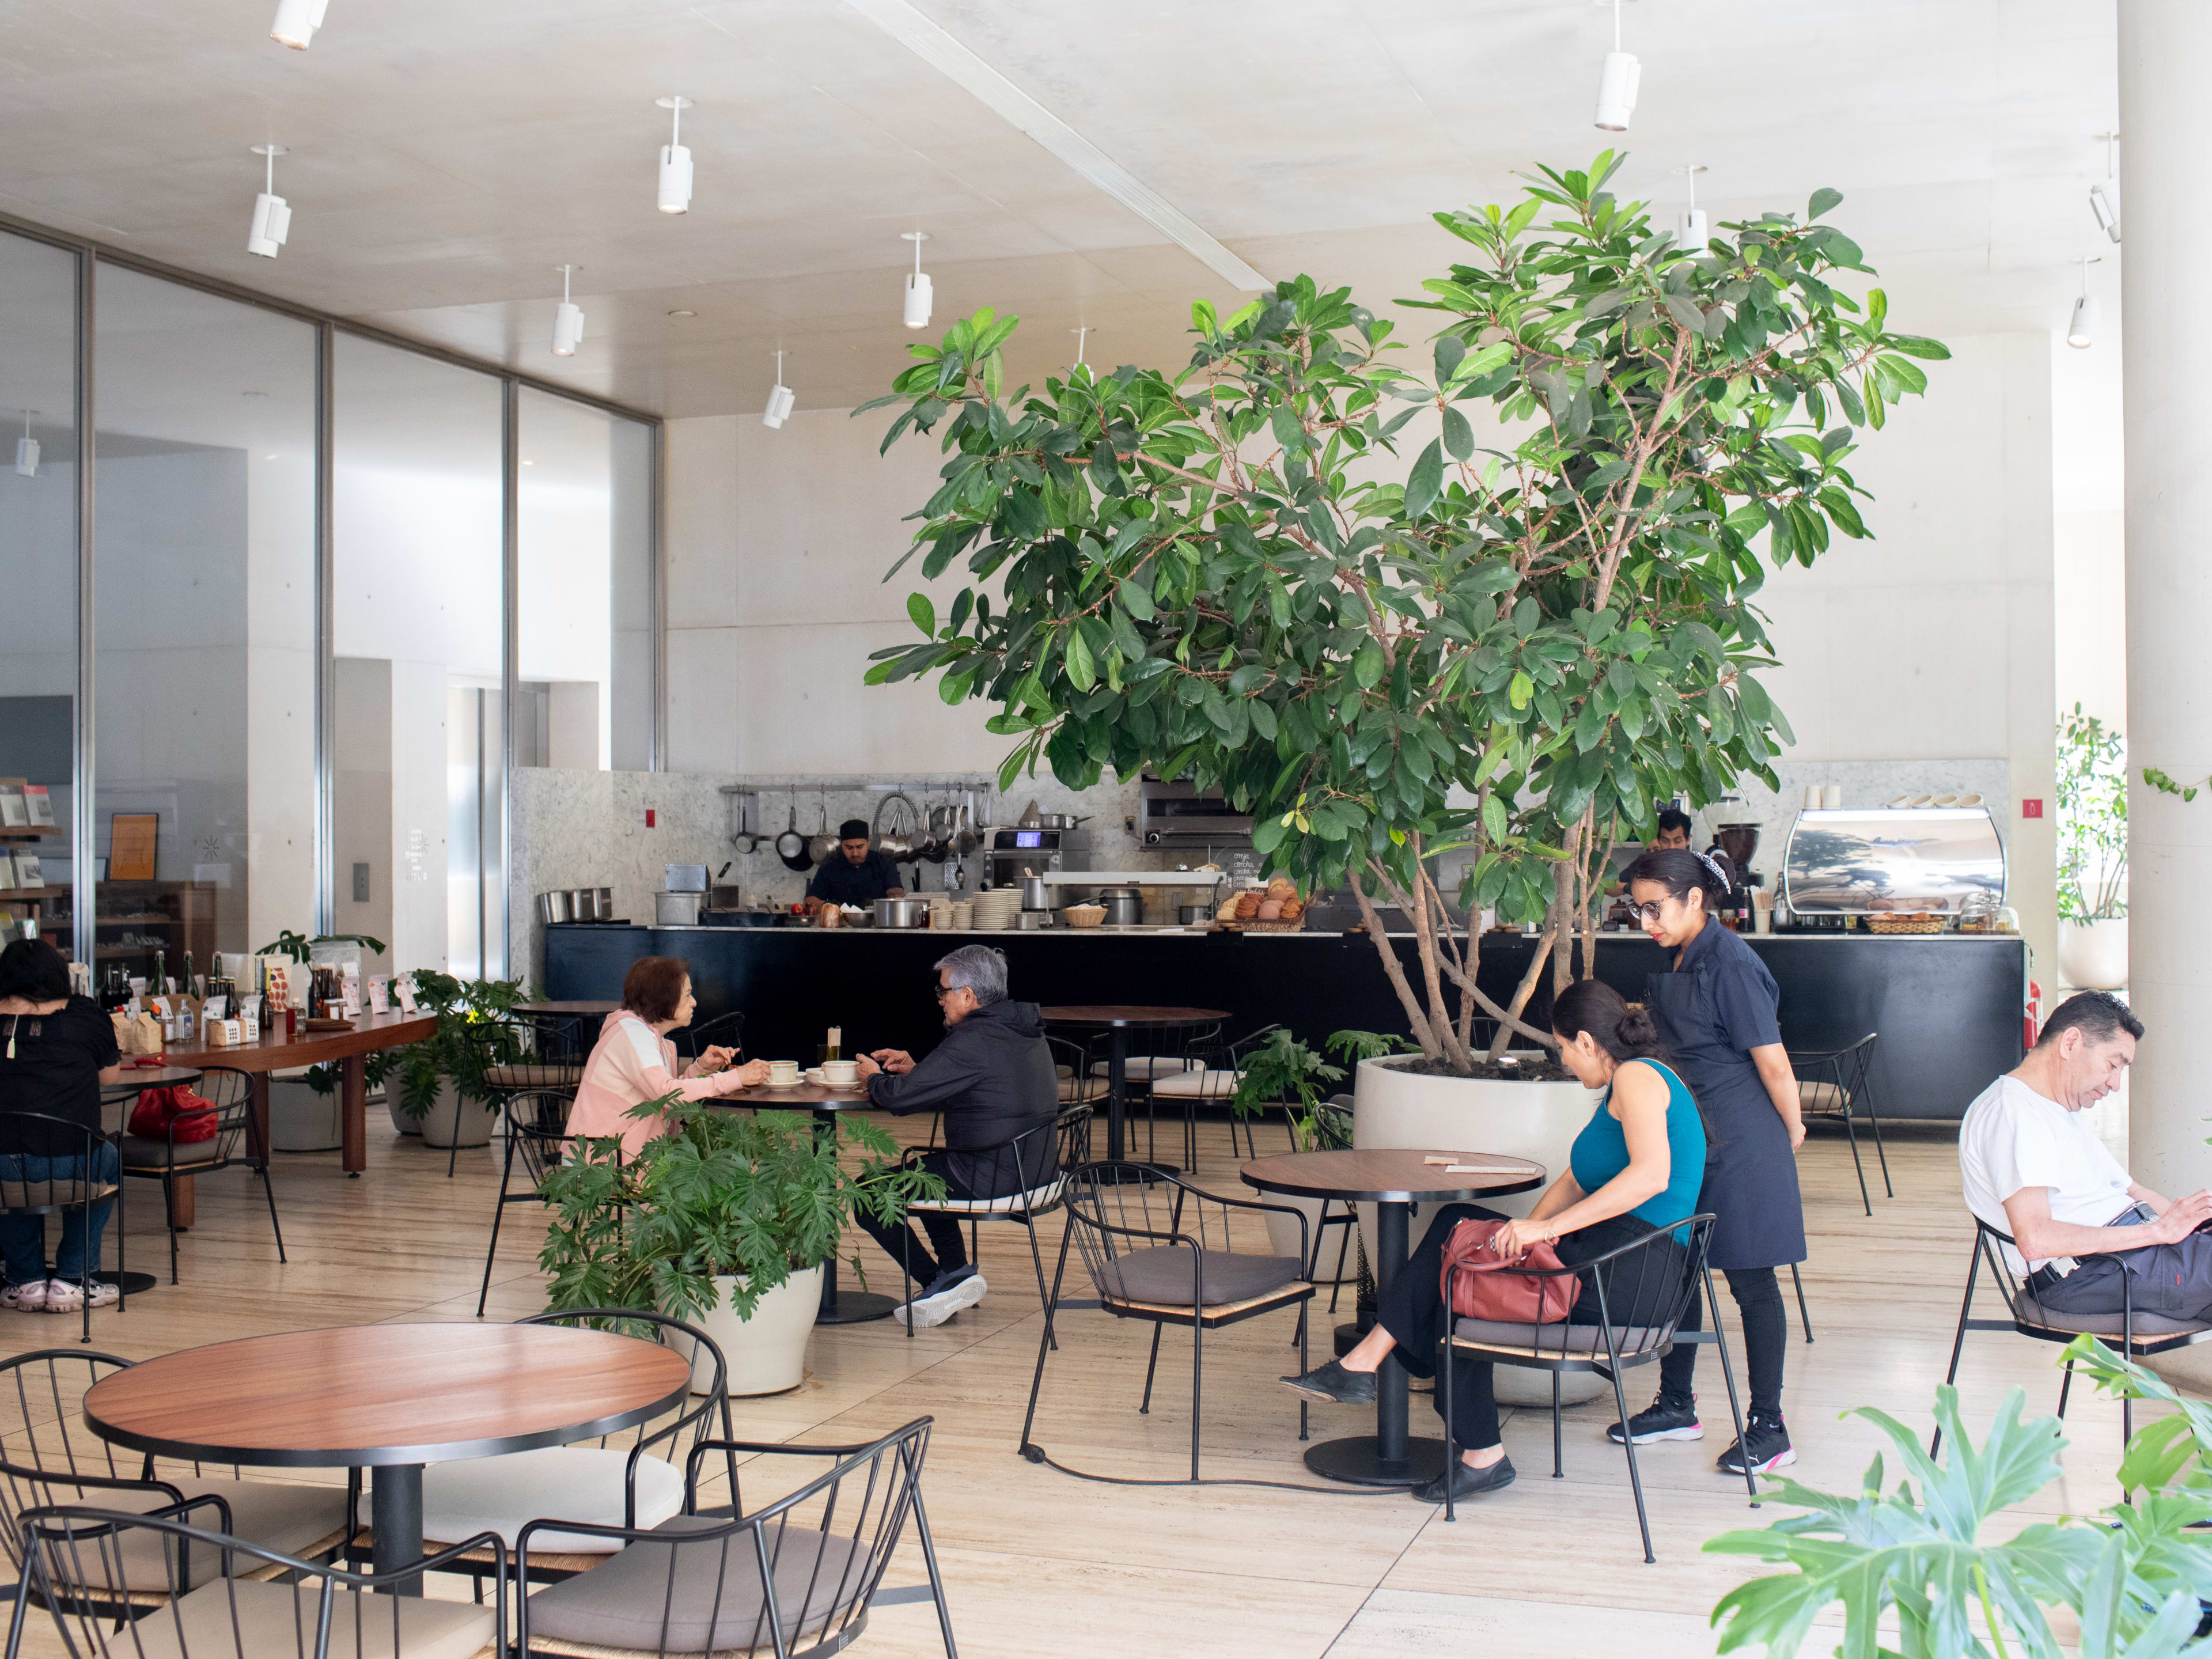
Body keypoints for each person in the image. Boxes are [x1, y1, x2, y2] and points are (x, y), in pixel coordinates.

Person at [1277, 980, 1708, 1503]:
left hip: (1626, 1274)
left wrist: (1543, 1232)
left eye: (1564, 1049)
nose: (1566, 1062)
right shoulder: (1629, 1084)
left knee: (1458, 1275)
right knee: (1460, 1236)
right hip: (1614, 1260)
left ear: (1588, 1043)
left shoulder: (1638, 1078)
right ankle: (1373, 1368)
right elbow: (1574, 1180)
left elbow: (1651, 1177)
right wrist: (1523, 1234)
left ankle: (1461, 1437)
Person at [1608, 846, 1806, 1475]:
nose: (1646, 922)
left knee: (1751, 1282)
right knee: (1679, 1266)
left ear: (1695, 899)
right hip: (1690, 1129)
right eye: (1637, 910)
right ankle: (1676, 1405)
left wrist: (1794, 1127)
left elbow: (1772, 1062)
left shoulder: (1733, 964)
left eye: (1654, 908)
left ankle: (1770, 1428)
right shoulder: (1678, 955)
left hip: (1745, 1136)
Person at [1959, 991, 2212, 1319]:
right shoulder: (2014, 1113)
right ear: (2070, 1043)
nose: (2115, 1083)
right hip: (2091, 1273)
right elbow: (2036, 1239)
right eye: (2112, 1065)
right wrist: (2157, 1232)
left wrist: (2195, 1225)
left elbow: (2132, 1191)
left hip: (2130, 1256)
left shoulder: (2056, 1109)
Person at [853, 944, 1058, 1330]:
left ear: (968, 995)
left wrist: (873, 1078)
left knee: (869, 1193)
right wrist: (918, 1069)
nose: (941, 1001)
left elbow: (898, 1099)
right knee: (926, 1171)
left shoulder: (973, 1038)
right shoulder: (1019, 1028)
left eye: (944, 992)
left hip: (992, 1174)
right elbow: (982, 1083)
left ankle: (938, 1281)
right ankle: (954, 1273)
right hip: (1036, 1169)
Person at [0, 940, 122, 1315]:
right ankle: (72, 1279)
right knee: (108, 1157)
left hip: (2, 1165)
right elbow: (109, 1077)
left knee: (9, 1178)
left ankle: (26, 1281)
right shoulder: (85, 1015)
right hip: (72, 1162)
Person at [567, 956, 768, 1157]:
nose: (695, 1003)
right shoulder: (633, 1035)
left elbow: (663, 1093)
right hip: (600, 1163)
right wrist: (736, 1078)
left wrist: (702, 1068)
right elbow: (667, 1095)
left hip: (619, 1154)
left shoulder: (647, 1034)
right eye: (688, 995)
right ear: (664, 1000)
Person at [805, 820, 907, 912]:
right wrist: (826, 906)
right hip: (840, 928)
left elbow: (896, 897)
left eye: (860, 847)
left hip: (877, 926)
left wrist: (875, 905)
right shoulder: (829, 868)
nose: (855, 853)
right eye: (849, 848)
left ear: (869, 842)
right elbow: (809, 902)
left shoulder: (885, 864)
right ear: (841, 845)